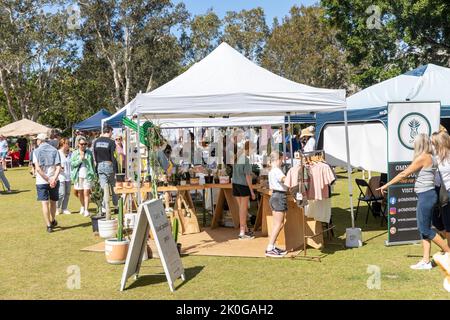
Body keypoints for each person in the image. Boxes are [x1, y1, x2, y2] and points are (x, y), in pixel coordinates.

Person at [378, 133, 450, 270]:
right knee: (424, 229)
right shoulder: (432, 157)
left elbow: (403, 174)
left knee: (425, 229)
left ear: (419, 144)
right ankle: (425, 261)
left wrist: (386, 185)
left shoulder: (423, 157)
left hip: (426, 196)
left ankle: (448, 252)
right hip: (428, 195)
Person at [33, 133, 61, 233]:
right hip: (54, 179)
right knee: (53, 202)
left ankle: (49, 225)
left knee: (44, 203)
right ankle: (52, 220)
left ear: (40, 140)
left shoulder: (36, 151)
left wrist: (48, 179)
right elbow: (58, 166)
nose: (36, 141)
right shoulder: (55, 150)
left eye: (37, 140)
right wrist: (53, 179)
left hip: (41, 181)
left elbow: (38, 169)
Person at [265, 151, 288, 257]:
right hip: (279, 196)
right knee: (279, 224)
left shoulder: (271, 170)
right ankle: (270, 247)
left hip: (274, 196)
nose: (282, 161)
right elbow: (284, 180)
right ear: (279, 159)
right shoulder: (277, 171)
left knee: (276, 223)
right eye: (282, 159)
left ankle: (272, 246)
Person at [232, 141, 256, 240]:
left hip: (235, 184)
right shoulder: (245, 159)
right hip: (243, 185)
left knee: (241, 209)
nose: (253, 151)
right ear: (249, 149)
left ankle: (244, 229)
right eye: (253, 149)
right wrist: (252, 191)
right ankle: (242, 232)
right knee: (243, 209)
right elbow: (248, 177)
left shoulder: (237, 158)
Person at [93, 125, 118, 217]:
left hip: (100, 165)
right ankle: (116, 207)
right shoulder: (111, 142)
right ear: (110, 131)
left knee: (103, 188)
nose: (112, 134)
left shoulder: (96, 142)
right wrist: (116, 170)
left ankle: (104, 208)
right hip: (109, 165)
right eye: (112, 132)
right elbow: (113, 157)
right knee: (113, 187)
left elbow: (95, 156)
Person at [431, 131, 450, 247]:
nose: (432, 145)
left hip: (447, 193)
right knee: (437, 222)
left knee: (448, 224)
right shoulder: (435, 157)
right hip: (439, 193)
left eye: (434, 143)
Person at [71, 137, 96, 217]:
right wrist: (80, 160)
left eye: (85, 144)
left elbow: (92, 164)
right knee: (80, 193)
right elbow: (72, 164)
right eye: (82, 144)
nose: (84, 146)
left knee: (86, 192)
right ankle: (82, 206)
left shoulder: (89, 152)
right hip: (78, 175)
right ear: (78, 144)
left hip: (88, 175)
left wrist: (94, 174)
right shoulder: (75, 153)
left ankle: (86, 210)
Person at [57, 138, 72, 215]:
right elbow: (55, 164)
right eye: (67, 144)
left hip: (69, 176)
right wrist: (59, 168)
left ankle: (64, 208)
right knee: (61, 193)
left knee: (67, 193)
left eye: (69, 144)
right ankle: (56, 208)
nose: (68, 145)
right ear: (63, 144)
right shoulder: (58, 153)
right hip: (60, 176)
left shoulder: (70, 153)